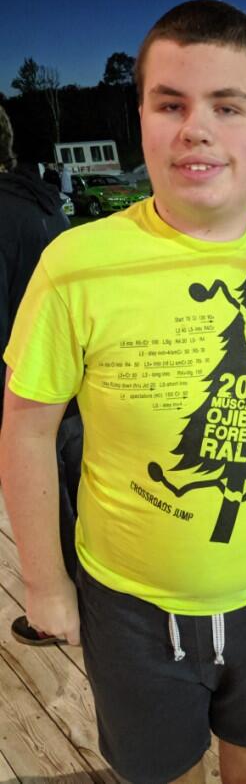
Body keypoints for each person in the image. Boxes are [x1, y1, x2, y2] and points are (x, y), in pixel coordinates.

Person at [0, 0, 246, 784]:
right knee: (157, 768)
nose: (195, 129)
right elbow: (27, 428)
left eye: (227, 105)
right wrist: (43, 584)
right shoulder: (76, 263)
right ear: (140, 118)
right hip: (131, 603)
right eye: (170, 104)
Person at [0, 106, 82, 646]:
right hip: (71, 393)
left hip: (24, 394)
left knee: (47, 504)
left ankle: (62, 606)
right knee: (74, 503)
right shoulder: (43, 203)